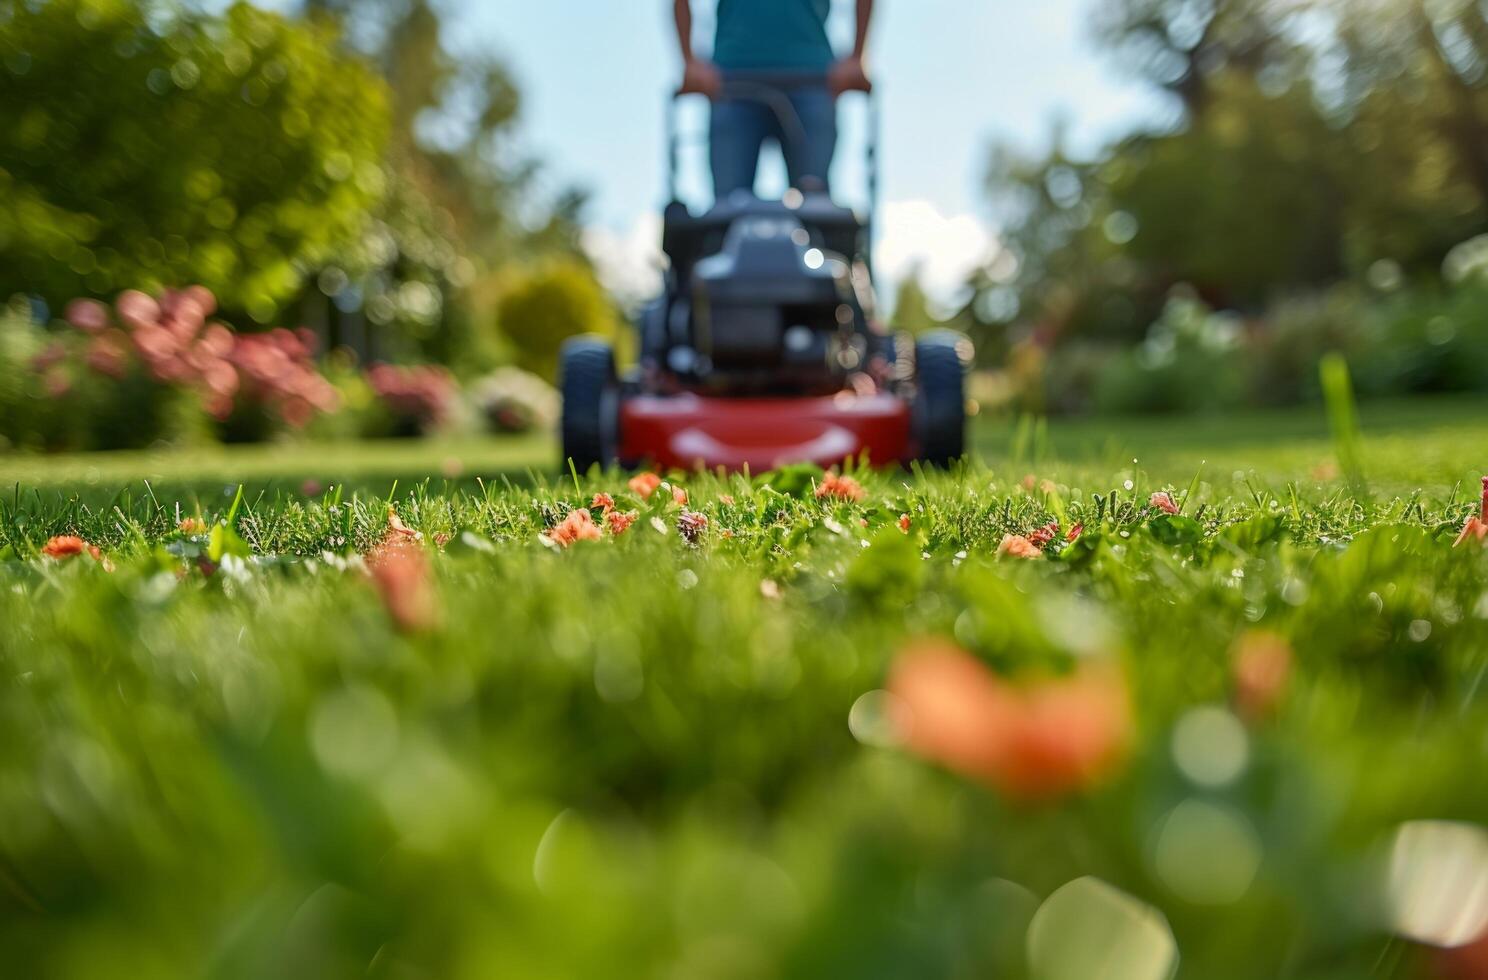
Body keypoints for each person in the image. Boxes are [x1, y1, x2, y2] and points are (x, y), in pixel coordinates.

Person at [673, 0, 874, 200]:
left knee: (815, 204)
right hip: (732, 83)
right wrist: (690, 62)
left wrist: (857, 57)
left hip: (811, 80)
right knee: (727, 208)